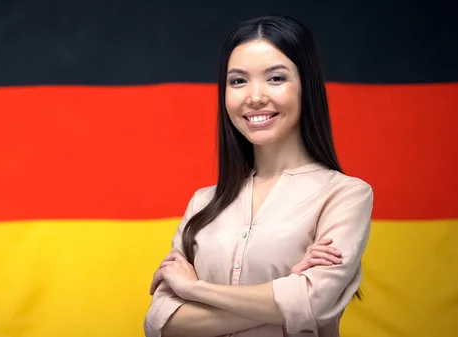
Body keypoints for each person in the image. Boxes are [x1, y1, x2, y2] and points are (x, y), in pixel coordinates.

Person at [143, 14, 374, 337]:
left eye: (275, 78)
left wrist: (194, 290)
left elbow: (314, 301)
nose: (254, 96)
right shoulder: (203, 202)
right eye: (238, 81)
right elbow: (160, 323)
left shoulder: (346, 195)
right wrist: (286, 297)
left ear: (306, 85)